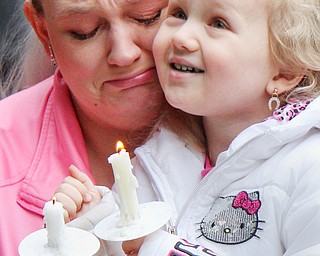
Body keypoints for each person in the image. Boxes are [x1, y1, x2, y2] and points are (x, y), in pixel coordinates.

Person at [56, 0, 320, 255]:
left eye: (218, 23)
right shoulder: (158, 157)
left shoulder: (310, 168)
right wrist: (95, 230)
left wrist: (160, 249)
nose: (181, 36)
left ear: (284, 71)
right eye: (179, 13)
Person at [0, 0, 191, 255]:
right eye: (84, 30)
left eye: (148, 16)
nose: (124, 54)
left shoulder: (258, 124)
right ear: (43, 32)